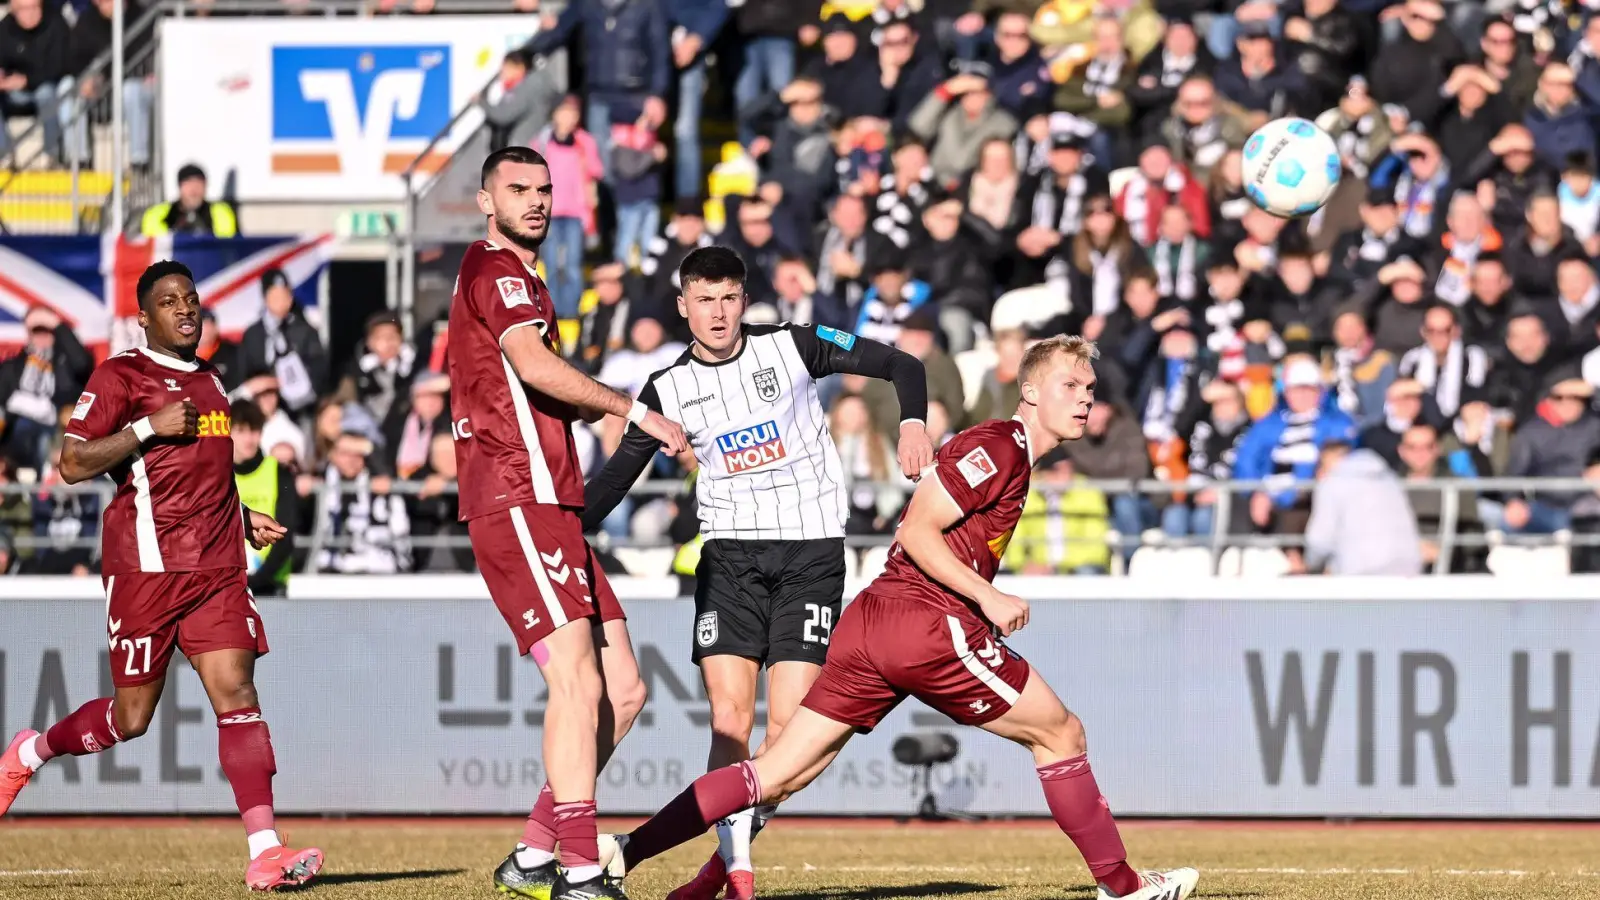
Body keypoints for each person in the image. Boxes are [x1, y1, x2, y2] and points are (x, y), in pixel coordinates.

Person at [598, 336, 1200, 900]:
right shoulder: (1001, 446)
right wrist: (986, 598)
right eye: (1072, 385)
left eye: (1090, 389)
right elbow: (916, 530)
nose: (1086, 398)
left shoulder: (1003, 450)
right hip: (926, 623)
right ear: (1032, 392)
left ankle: (629, 851)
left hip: (874, 624)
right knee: (1060, 733)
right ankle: (1123, 887)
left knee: (776, 773)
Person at [581, 245, 933, 900]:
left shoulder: (794, 347)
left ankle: (678, 863)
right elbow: (611, 485)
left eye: (729, 298)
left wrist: (913, 423)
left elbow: (901, 363)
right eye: (703, 300)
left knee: (787, 743)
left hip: (812, 553)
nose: (717, 313)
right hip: (732, 557)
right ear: (683, 307)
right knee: (729, 722)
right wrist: (559, 526)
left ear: (745, 301)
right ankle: (737, 877)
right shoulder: (668, 389)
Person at [0, 261, 321, 892]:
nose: (185, 310)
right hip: (145, 567)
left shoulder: (213, 381)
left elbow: (205, 471)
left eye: (192, 299)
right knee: (132, 717)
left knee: (237, 691)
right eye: (169, 302)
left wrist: (245, 513)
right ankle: (28, 754)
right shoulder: (121, 375)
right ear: (144, 317)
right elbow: (69, 462)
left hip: (218, 565)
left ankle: (264, 851)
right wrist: (147, 427)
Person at [447, 146, 687, 900]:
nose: (537, 201)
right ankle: (580, 870)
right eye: (518, 190)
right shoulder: (496, 271)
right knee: (579, 685)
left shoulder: (528, 278)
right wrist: (634, 408)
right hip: (515, 495)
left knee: (624, 689)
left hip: (553, 500)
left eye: (545, 189)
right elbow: (537, 368)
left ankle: (532, 855)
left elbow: (542, 382)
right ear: (486, 202)